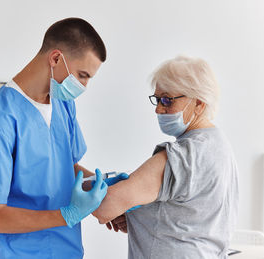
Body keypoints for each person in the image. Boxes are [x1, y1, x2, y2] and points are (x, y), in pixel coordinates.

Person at [0, 17, 127, 259]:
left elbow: (65, 168)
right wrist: (67, 215)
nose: (84, 86)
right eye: (82, 75)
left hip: (68, 251)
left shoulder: (63, 104)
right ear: (55, 58)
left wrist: (107, 190)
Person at [93, 55, 239, 259]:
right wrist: (139, 218)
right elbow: (192, 216)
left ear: (198, 103)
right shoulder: (219, 145)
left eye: (167, 100)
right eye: (157, 99)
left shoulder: (184, 155)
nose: (158, 108)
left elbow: (106, 205)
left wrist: (106, 199)